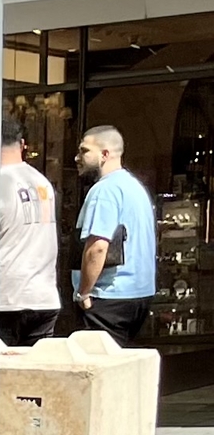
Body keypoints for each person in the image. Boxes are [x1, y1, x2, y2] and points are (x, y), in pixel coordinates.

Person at [0, 118, 59, 348]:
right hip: (43, 295)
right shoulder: (43, 184)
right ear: (22, 144)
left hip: (4, 299)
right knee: (36, 377)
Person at [70, 125, 155, 345]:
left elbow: (98, 246)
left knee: (100, 371)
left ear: (105, 154)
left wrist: (84, 293)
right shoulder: (134, 187)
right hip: (137, 294)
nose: (77, 157)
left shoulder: (104, 190)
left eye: (84, 151)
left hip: (109, 296)